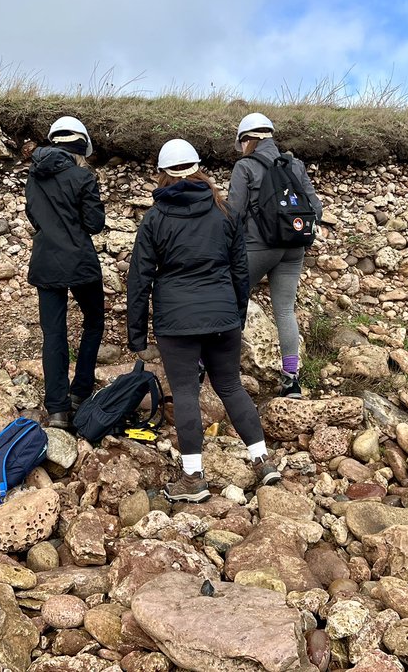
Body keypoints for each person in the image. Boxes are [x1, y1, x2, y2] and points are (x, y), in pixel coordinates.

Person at [127, 138, 282, 502]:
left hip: (177, 320)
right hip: (223, 315)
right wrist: (236, 315)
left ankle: (193, 479)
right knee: (230, 386)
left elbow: (139, 278)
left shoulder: (155, 218)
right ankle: (263, 462)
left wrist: (137, 335)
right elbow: (240, 270)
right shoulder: (224, 211)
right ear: (199, 167)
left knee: (185, 393)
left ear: (163, 173)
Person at [227, 112, 323, 398]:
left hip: (258, 246)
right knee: (284, 311)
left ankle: (215, 368)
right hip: (295, 247)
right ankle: (291, 379)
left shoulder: (245, 166)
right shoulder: (295, 165)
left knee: (232, 303)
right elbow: (316, 209)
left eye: (242, 142)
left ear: (248, 140)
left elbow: (234, 213)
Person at [25, 116, 106, 429]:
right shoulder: (82, 177)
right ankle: (81, 390)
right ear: (80, 145)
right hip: (80, 261)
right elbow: (95, 224)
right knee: (94, 320)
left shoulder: (34, 175)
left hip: (45, 260)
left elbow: (33, 214)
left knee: (54, 334)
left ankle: (57, 409)